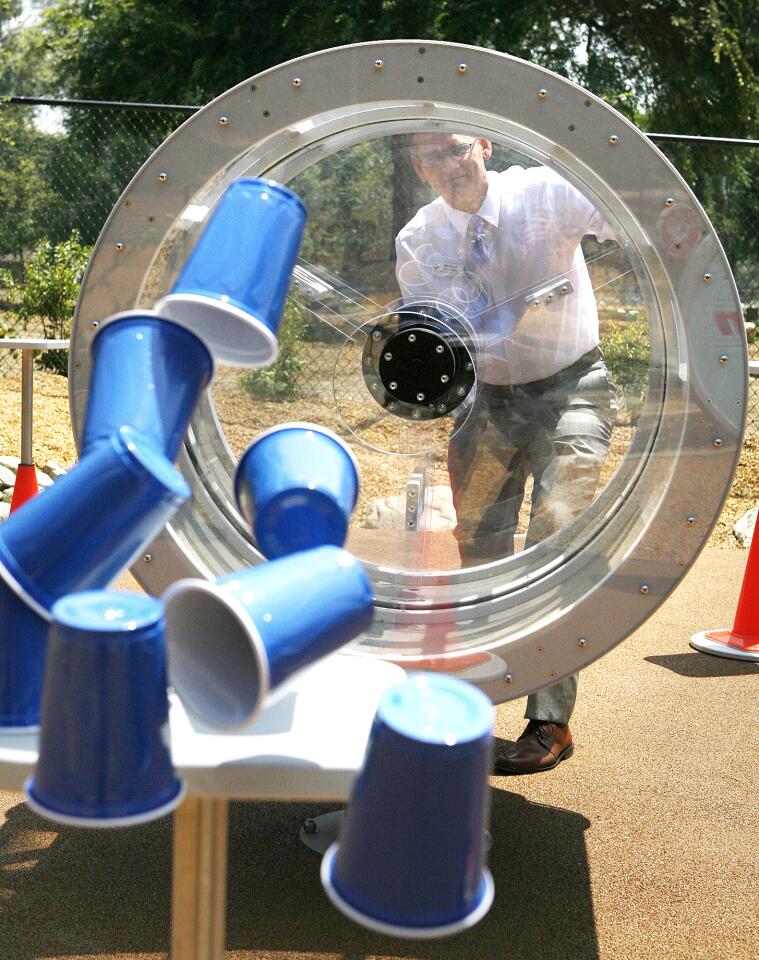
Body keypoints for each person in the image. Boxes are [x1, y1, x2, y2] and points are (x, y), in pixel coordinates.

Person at [395, 132, 618, 774]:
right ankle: (472, 706)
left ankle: (550, 720)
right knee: (482, 549)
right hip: (485, 401)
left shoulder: (546, 194)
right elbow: (439, 335)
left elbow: (638, 217)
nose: (448, 166)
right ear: (418, 166)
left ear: (485, 145)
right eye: (431, 157)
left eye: (456, 149)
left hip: (570, 383)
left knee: (558, 527)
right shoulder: (419, 239)